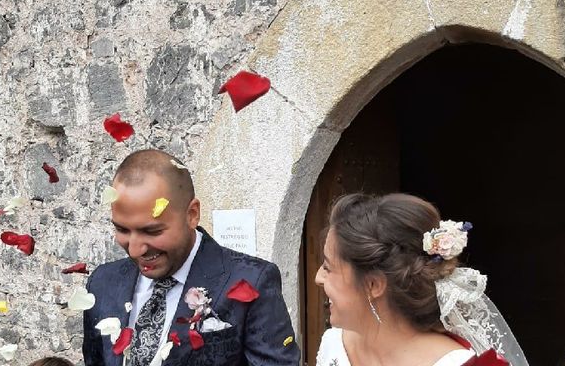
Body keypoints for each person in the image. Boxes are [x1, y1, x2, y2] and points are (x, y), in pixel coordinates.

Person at [83, 149, 300, 366]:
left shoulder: (254, 281)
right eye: (122, 230)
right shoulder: (102, 283)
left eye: (152, 231)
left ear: (192, 214)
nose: (135, 249)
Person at [315, 193, 528, 366]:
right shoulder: (333, 344)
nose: (318, 278)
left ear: (373, 285)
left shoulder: (456, 363)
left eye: (328, 267)